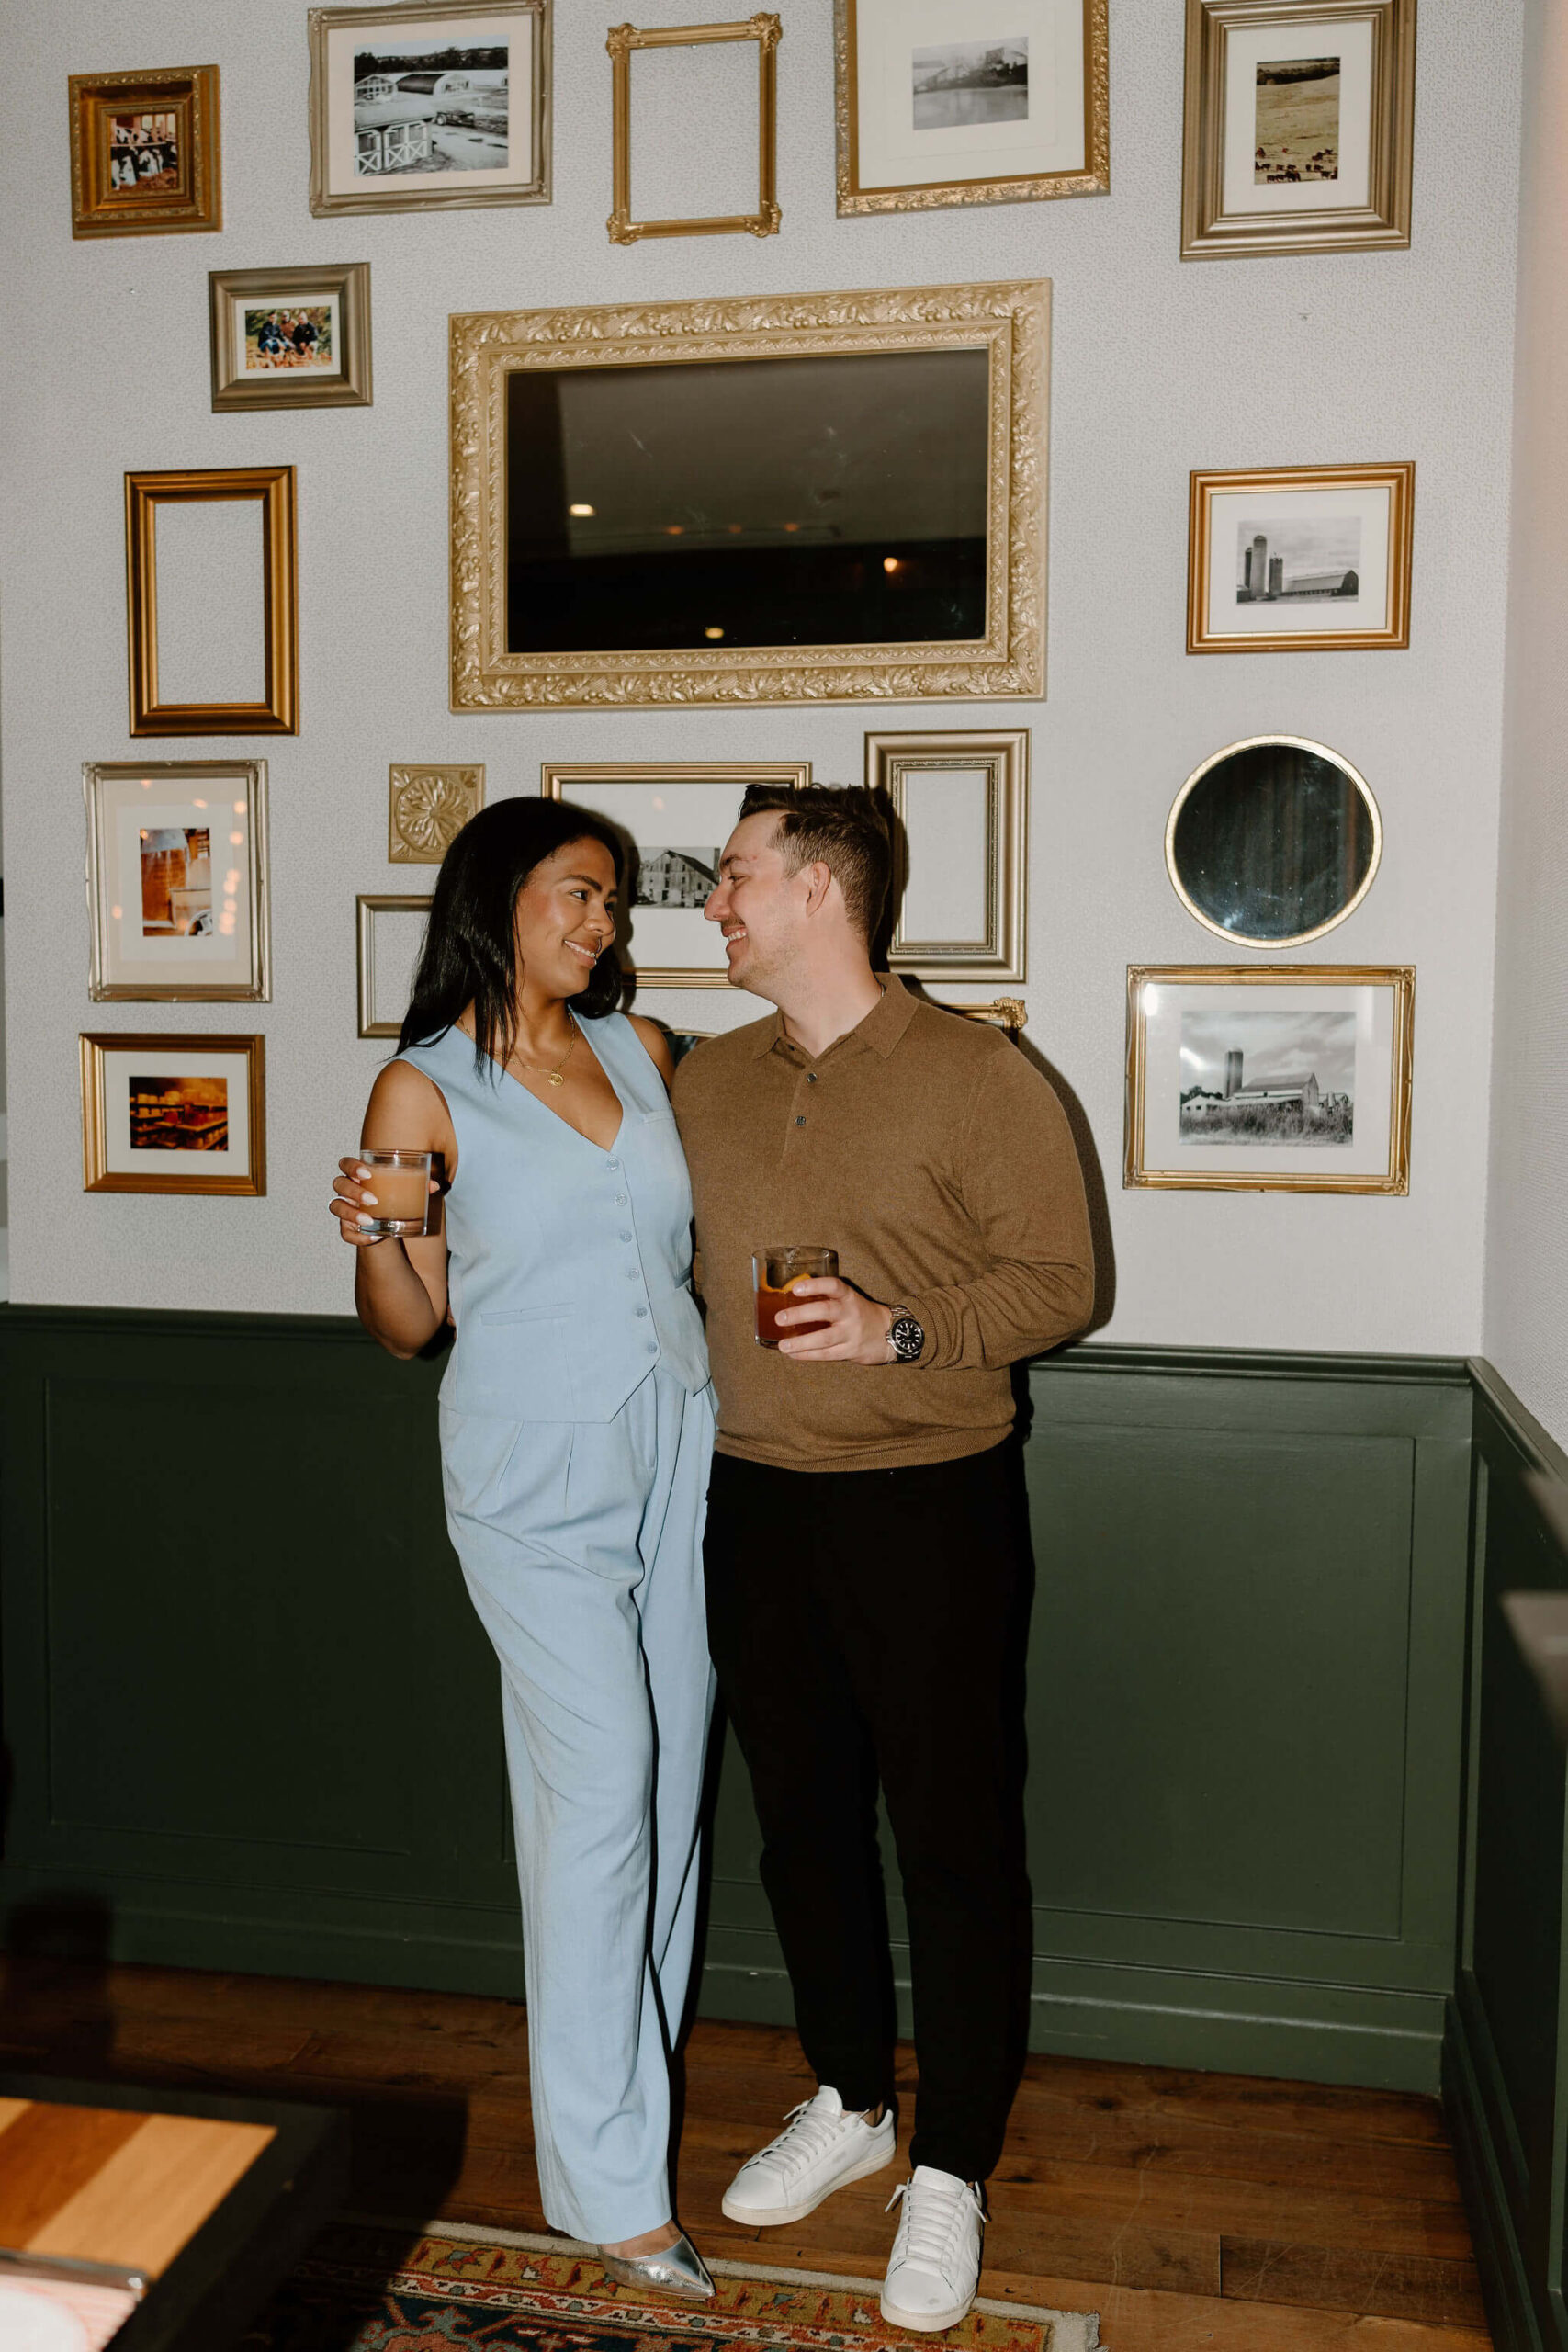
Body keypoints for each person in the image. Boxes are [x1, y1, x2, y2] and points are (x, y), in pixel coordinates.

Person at [673, 785, 1095, 2333]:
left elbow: (1063, 1282)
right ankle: (853, 2103)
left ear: (821, 891)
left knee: (956, 1845)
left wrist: (896, 1327)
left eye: (733, 878)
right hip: (752, 1501)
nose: (712, 904)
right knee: (801, 1829)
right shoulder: (702, 1080)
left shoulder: (983, 1075)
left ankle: (954, 2169)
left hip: (932, 1503)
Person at [329, 798, 717, 2302]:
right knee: (602, 1790)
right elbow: (411, 1326)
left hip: (679, 1449)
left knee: (670, 1784)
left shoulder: (646, 1053)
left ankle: (632, 2116)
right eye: (580, 895)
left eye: (613, 903)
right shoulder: (422, 1090)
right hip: (527, 1473)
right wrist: (372, 1233)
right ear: (498, 897)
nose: (605, 925)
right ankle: (611, 2189)